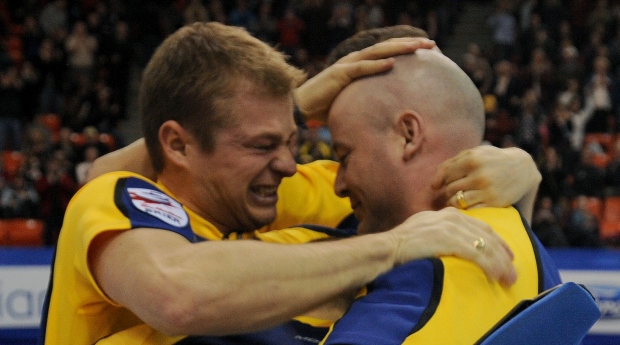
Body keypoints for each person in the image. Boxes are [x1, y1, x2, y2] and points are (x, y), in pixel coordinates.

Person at [39, 23, 536, 345]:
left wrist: (521, 170)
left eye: (293, 141)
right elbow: (178, 292)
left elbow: (415, 189)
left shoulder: (281, 189)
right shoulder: (120, 201)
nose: (289, 166)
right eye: (260, 145)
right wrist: (393, 247)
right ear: (180, 146)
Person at [318, 50, 562, 344]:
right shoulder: (526, 244)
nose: (339, 185)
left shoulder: (420, 280)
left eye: (345, 157)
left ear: (408, 135)